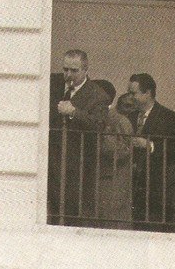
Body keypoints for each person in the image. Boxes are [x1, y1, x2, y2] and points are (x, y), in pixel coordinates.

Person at [47, 50, 110, 226]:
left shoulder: (97, 95)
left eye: (74, 70)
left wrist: (75, 112)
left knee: (72, 213)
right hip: (51, 159)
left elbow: (99, 125)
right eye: (65, 69)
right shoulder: (53, 84)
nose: (68, 75)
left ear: (85, 70)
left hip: (78, 164)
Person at [128, 72, 175, 231]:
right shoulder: (129, 117)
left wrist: (150, 145)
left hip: (156, 190)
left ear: (148, 93)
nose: (130, 97)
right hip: (132, 189)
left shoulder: (169, 117)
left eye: (134, 93)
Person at [94, 83, 133, 229]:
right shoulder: (106, 117)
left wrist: (104, 137)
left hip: (112, 182)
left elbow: (123, 149)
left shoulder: (118, 119)